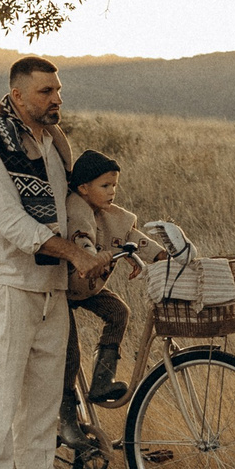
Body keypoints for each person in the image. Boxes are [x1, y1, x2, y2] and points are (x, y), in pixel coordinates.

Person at [0, 56, 111, 469]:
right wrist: (75, 255)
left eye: (58, 90)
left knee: (44, 405)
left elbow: (72, 205)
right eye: (45, 92)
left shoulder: (56, 145)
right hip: (5, 288)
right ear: (18, 96)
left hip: (50, 289)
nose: (56, 99)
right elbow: (17, 226)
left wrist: (96, 245)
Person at [60, 149, 162, 408]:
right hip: (62, 288)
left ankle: (102, 381)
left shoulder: (108, 213)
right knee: (70, 356)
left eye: (114, 185)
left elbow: (131, 236)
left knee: (118, 311)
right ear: (83, 188)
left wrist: (161, 255)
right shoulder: (76, 209)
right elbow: (81, 239)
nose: (111, 191)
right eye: (105, 185)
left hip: (86, 289)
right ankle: (68, 418)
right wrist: (92, 256)